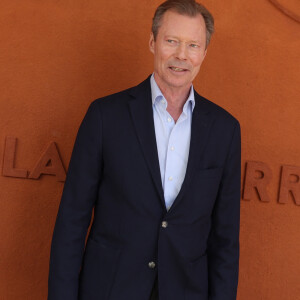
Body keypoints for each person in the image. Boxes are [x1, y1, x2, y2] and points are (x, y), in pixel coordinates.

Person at [48, 0, 241, 299]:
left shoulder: (225, 130)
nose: (181, 55)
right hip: (111, 289)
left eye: (192, 45)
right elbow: (72, 221)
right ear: (153, 42)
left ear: (204, 53)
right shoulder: (104, 116)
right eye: (172, 41)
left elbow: (225, 239)